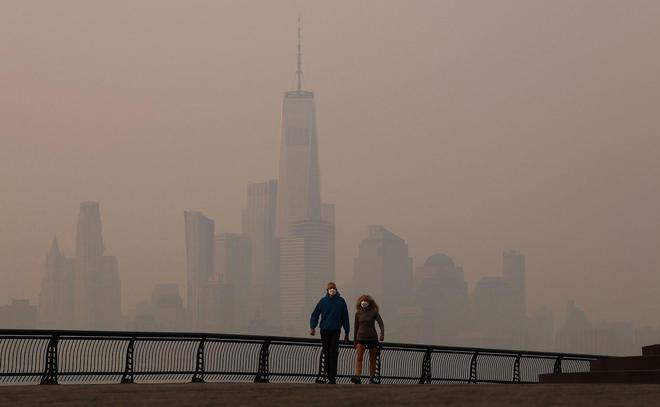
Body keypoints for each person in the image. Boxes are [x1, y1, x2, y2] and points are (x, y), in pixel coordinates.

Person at [310, 282, 350, 384]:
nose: (332, 290)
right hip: (324, 330)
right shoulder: (323, 301)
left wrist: (347, 333)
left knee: (333, 352)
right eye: (330, 288)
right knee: (327, 352)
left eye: (333, 288)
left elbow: (345, 317)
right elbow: (315, 314)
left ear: (336, 289)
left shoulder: (341, 301)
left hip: (336, 331)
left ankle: (332, 377)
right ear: (327, 290)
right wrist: (312, 327)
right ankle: (328, 374)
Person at [351, 294, 384, 384]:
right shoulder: (358, 313)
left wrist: (382, 334)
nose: (363, 302)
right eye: (362, 301)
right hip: (360, 338)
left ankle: (371, 378)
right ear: (359, 302)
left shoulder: (374, 312)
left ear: (369, 302)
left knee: (372, 359)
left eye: (365, 300)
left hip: (372, 338)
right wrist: (355, 341)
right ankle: (357, 376)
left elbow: (381, 323)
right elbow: (356, 327)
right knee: (359, 357)